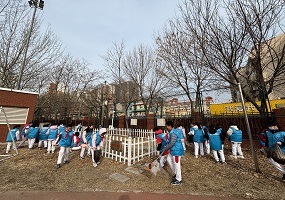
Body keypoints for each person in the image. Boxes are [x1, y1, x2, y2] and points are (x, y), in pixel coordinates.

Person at [162, 121, 184, 185]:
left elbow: (172, 143)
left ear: (169, 126)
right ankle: (176, 174)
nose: (166, 127)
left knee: (177, 164)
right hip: (173, 150)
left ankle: (179, 179)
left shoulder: (174, 133)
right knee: (169, 159)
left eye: (167, 126)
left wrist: (165, 148)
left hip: (176, 151)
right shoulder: (172, 132)